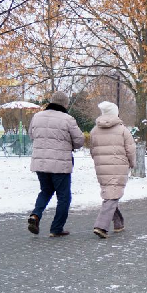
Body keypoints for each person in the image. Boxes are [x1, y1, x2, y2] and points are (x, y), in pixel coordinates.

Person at [27, 91, 85, 238]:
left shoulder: (37, 116)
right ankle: (56, 228)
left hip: (40, 162)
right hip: (60, 164)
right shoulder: (68, 119)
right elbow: (79, 141)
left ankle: (35, 215)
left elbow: (31, 135)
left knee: (45, 191)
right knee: (64, 196)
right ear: (65, 104)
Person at [89, 101, 136, 239]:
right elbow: (131, 150)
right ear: (115, 113)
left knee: (111, 193)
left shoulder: (94, 130)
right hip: (119, 167)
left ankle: (118, 223)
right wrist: (131, 164)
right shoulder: (123, 130)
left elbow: (92, 150)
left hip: (101, 167)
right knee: (113, 195)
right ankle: (101, 226)